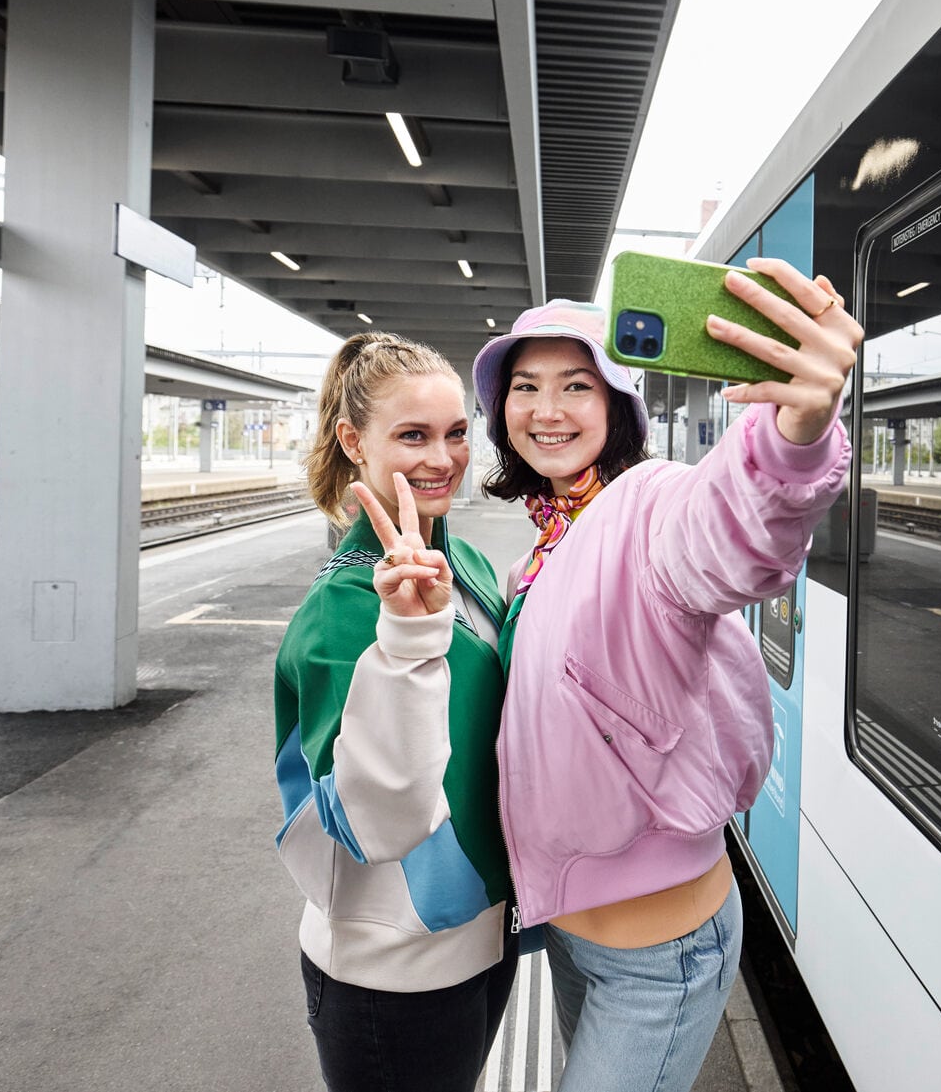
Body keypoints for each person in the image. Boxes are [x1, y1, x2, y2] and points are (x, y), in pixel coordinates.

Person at [472, 262, 861, 1091]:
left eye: (576, 384)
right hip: (576, 937)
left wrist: (794, 437)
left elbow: (728, 534)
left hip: (658, 955)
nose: (546, 409)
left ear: (617, 407)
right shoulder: (534, 558)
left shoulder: (648, 503)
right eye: (525, 386)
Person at [271, 333, 516, 1092]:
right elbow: (377, 821)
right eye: (412, 435)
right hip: (393, 977)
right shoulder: (342, 612)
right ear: (354, 440)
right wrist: (408, 634)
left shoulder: (463, 562)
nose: (442, 459)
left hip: (480, 940)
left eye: (455, 433)